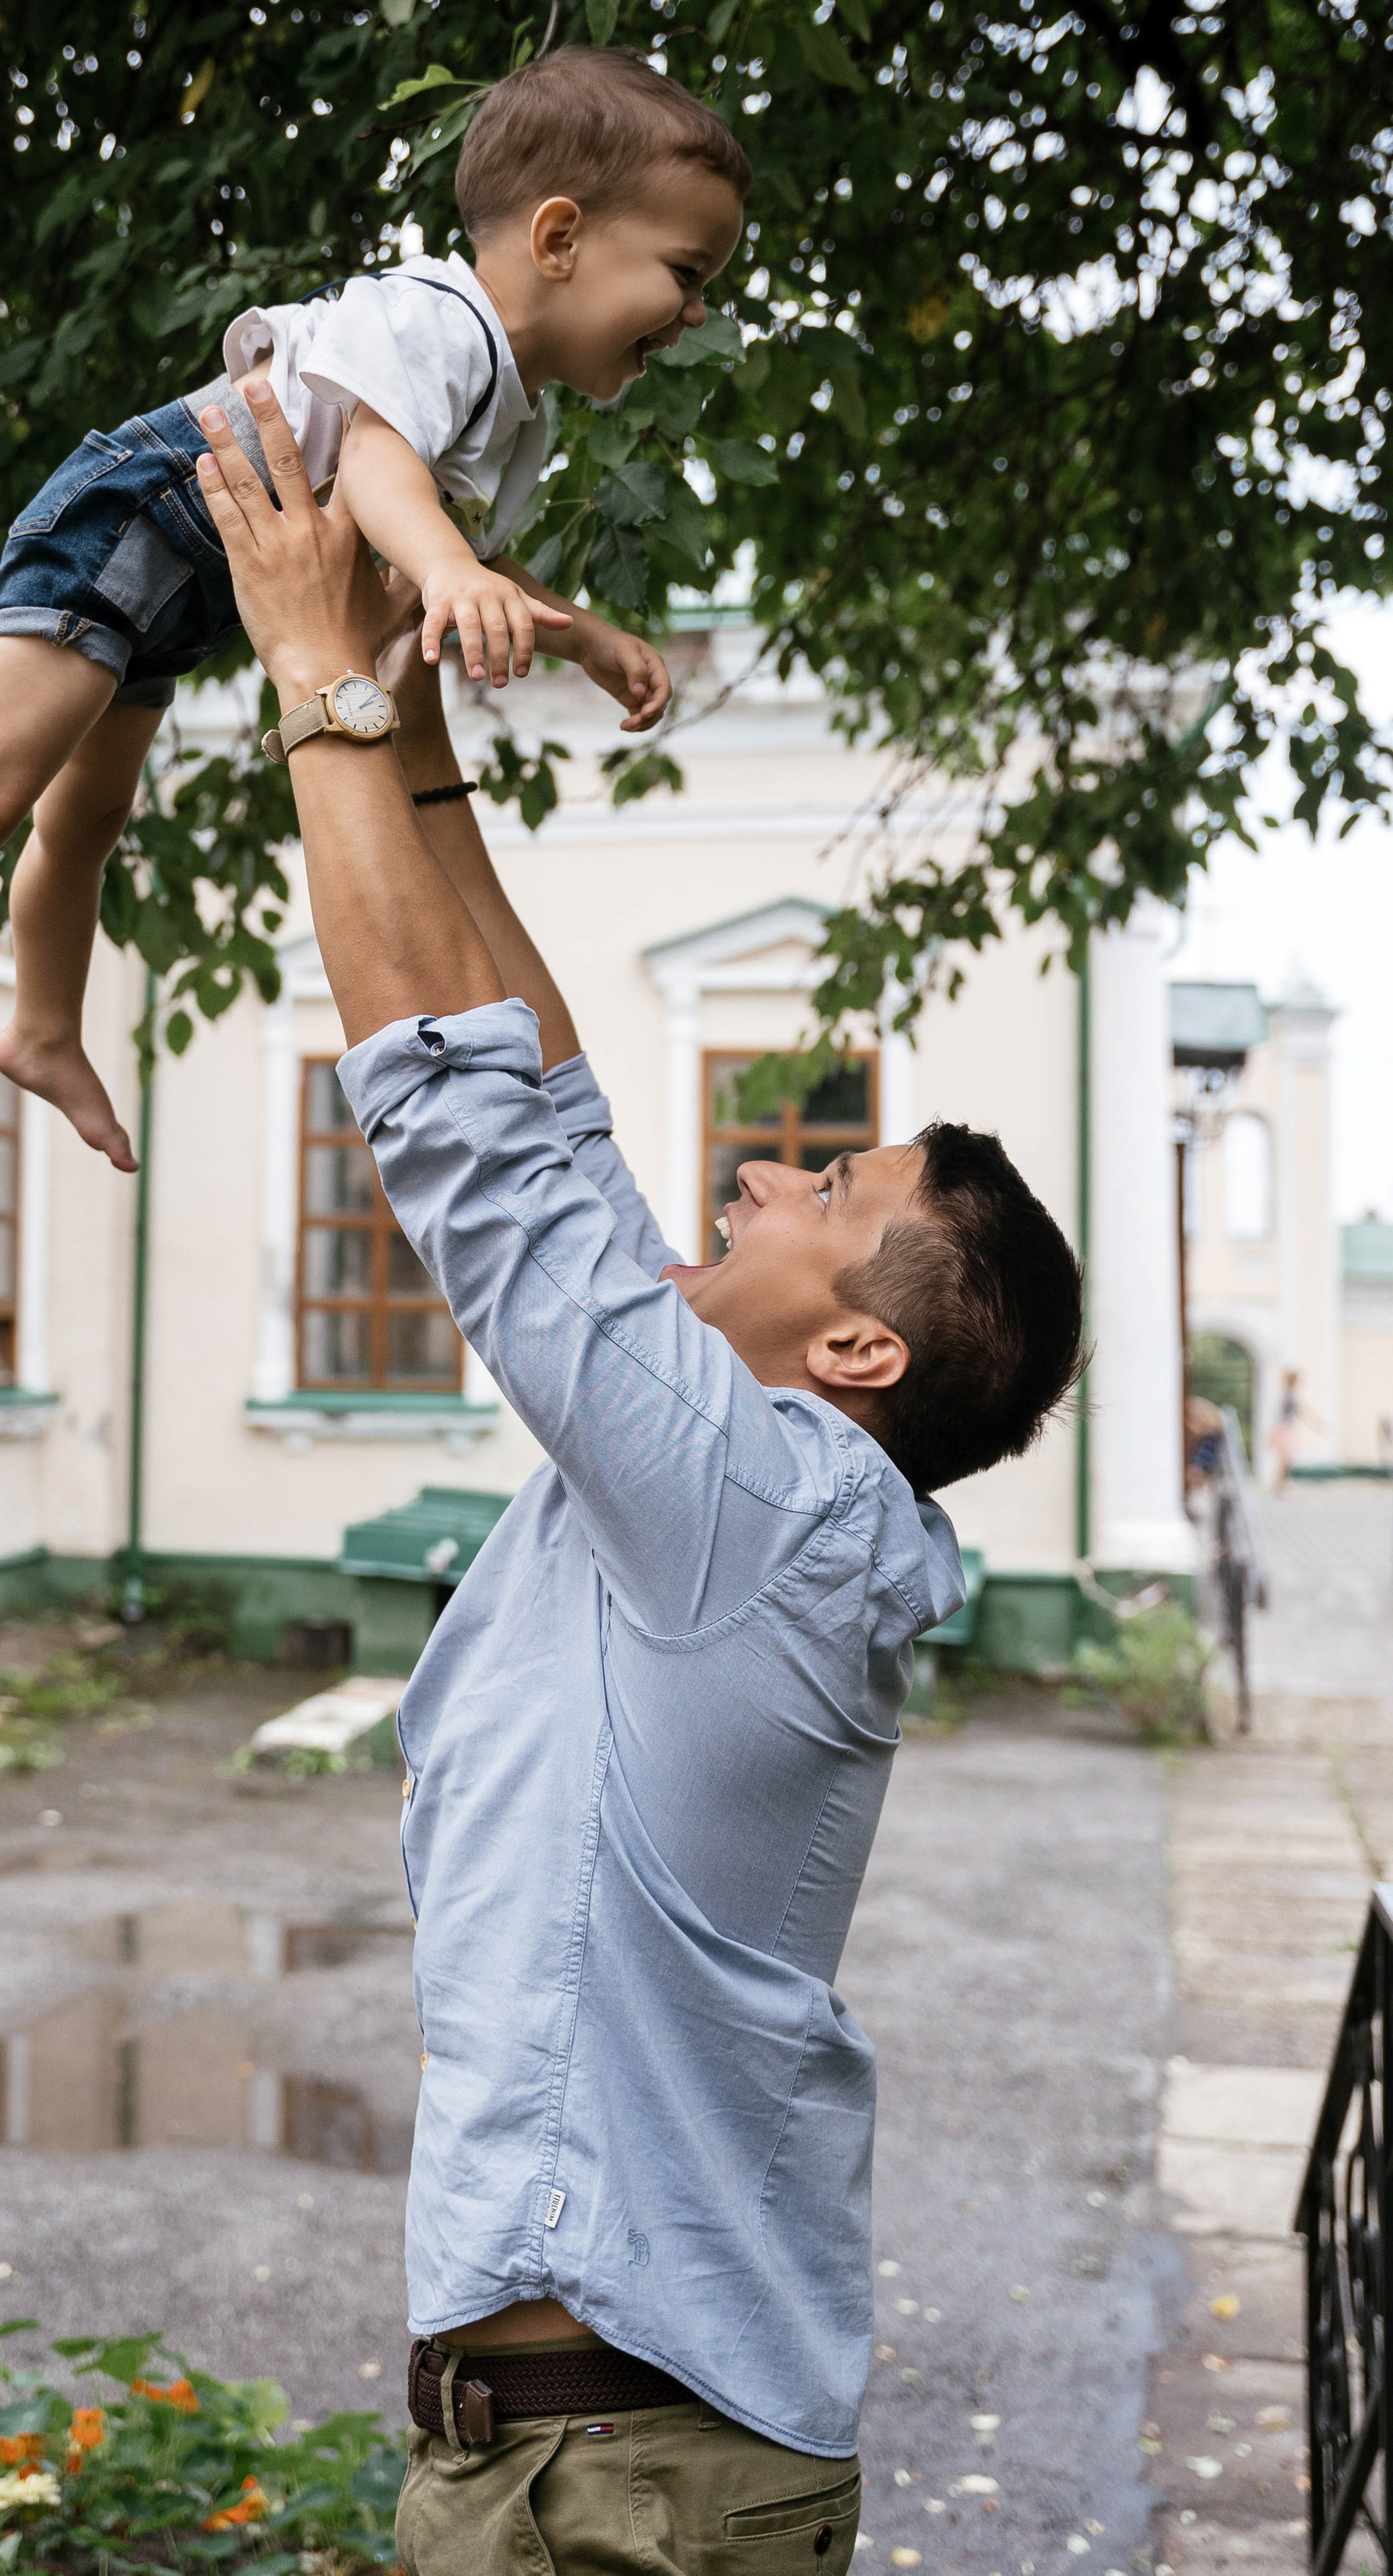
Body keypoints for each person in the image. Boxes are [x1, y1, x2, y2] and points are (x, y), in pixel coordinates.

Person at [192, 382, 1088, 2576]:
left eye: (822, 1188)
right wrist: (415, 728)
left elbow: (477, 1148)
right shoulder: (750, 1494)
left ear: (856, 1349)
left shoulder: (760, 1512)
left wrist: (310, 674)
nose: (760, 1174)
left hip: (624, 2492)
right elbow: (558, 1114)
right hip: (591, 2462)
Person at [0, 47, 748, 1197]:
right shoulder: (441, 322)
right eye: (686, 273)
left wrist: (582, 636)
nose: (697, 314)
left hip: (197, 574)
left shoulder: (517, 411)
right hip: (138, 513)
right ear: (560, 238)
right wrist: (447, 570)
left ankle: (41, 1026)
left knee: (89, 817)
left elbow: (456, 544)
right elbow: (378, 473)